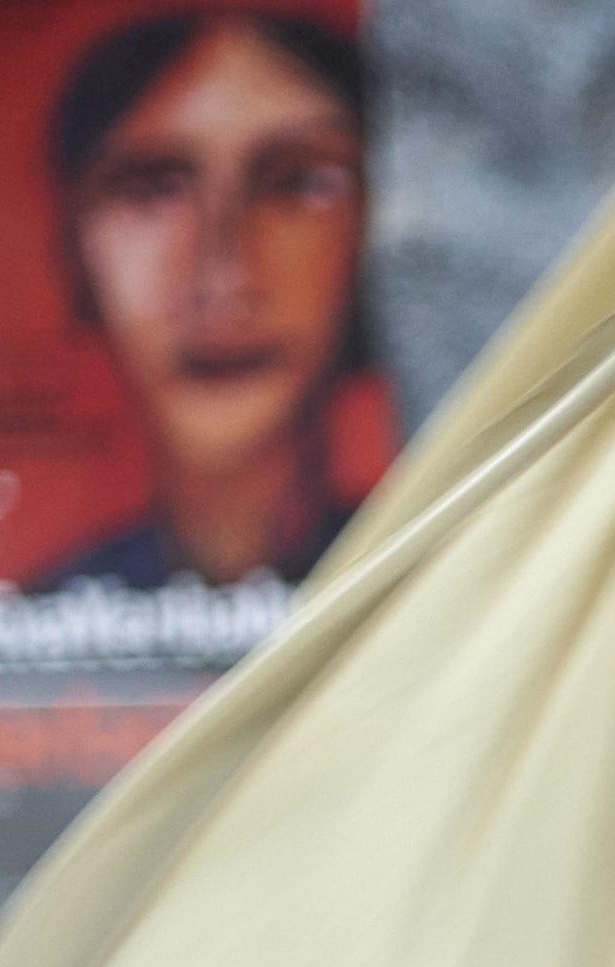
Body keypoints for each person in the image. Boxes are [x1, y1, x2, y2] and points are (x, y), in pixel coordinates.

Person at [29, 10, 371, 595]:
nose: (224, 277)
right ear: (72, 247)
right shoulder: (30, 639)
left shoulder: (445, 585)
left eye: (297, 181)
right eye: (154, 186)